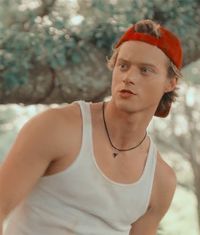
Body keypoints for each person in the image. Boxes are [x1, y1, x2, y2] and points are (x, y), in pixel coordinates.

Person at [0, 19, 183, 235]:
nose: (128, 77)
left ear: (170, 83)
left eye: (145, 70)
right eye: (123, 66)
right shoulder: (56, 128)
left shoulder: (160, 180)